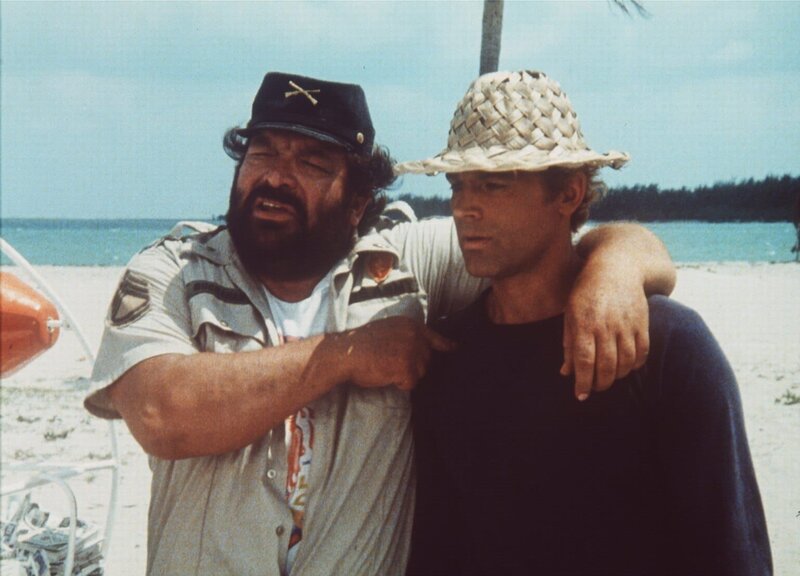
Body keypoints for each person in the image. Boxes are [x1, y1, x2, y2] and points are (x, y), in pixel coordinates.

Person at [84, 71, 676, 576]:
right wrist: (347, 356)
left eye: (311, 162)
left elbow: (549, 244)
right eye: (262, 153)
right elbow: (161, 414)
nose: (276, 177)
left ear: (358, 203)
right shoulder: (176, 271)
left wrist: (613, 271)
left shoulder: (406, 263)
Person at [401, 70, 772, 576]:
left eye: (492, 184)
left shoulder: (669, 347)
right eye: (458, 185)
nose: (465, 207)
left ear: (568, 194)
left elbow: (730, 553)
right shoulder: (446, 358)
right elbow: (438, 551)